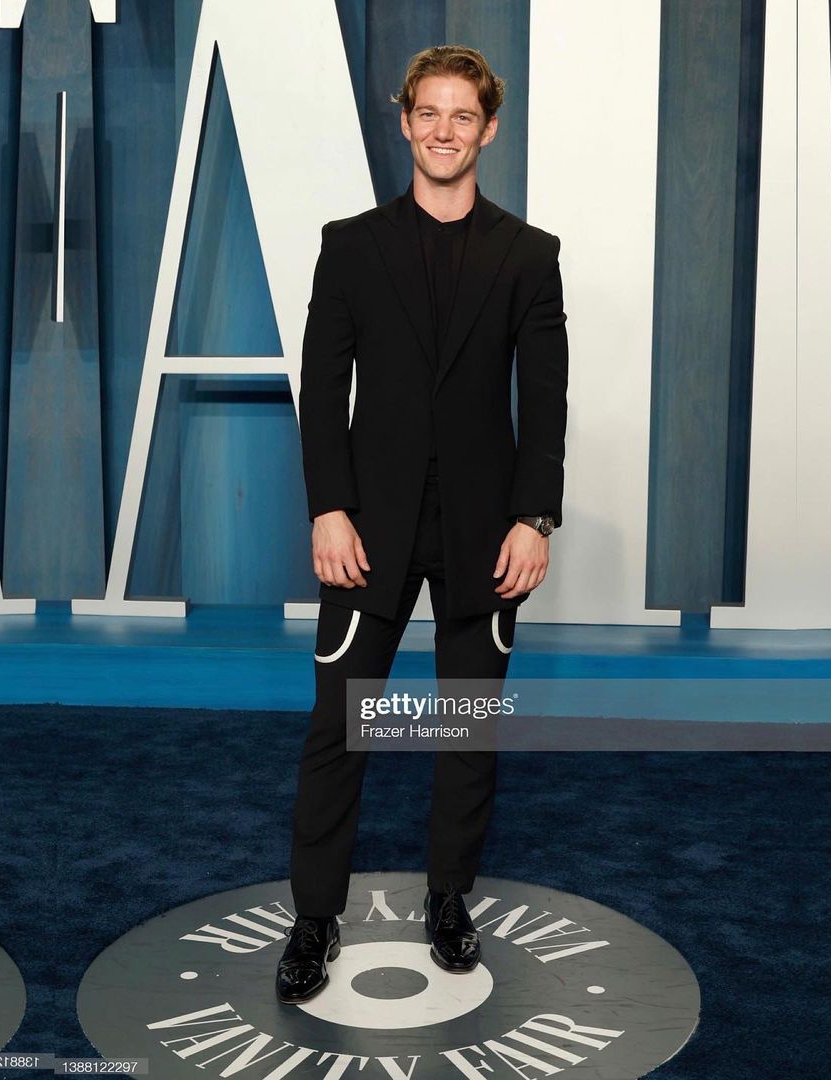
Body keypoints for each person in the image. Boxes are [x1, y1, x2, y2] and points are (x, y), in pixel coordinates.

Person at [276, 43, 568, 1004]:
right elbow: (324, 390)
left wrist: (534, 519)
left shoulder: (529, 254)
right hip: (368, 529)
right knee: (338, 726)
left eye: (463, 116)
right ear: (405, 123)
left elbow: (546, 400)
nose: (445, 131)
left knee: (467, 728)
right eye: (429, 113)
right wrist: (328, 508)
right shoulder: (350, 245)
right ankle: (314, 918)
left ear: (489, 130)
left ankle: (450, 899)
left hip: (488, 533)